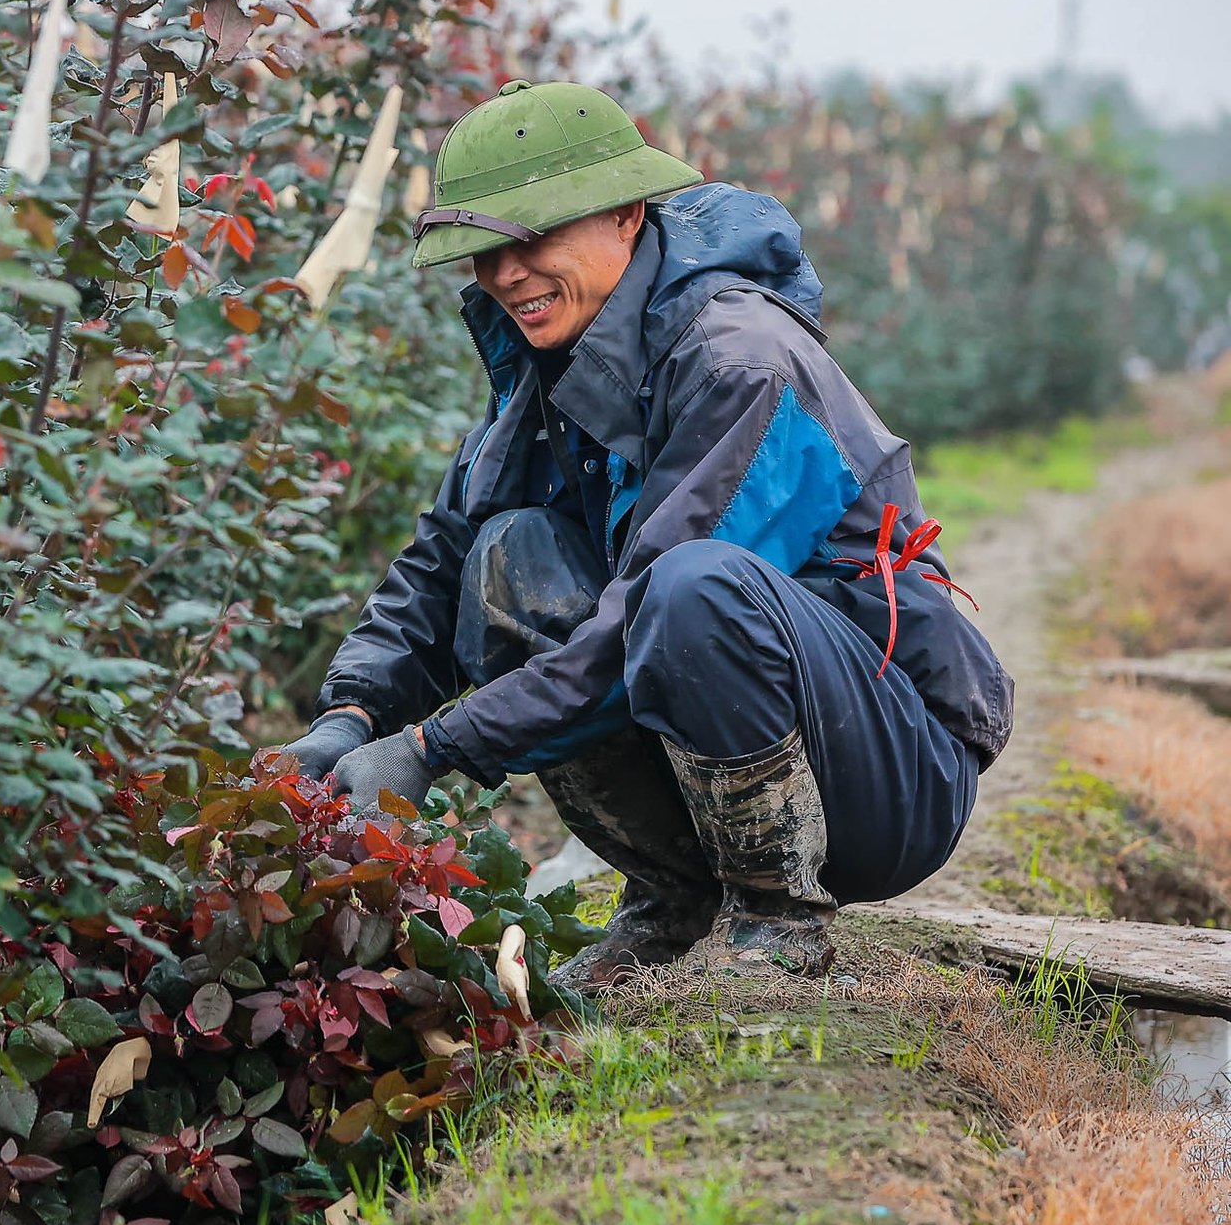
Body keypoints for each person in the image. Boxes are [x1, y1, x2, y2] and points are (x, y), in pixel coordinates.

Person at [275, 80, 1012, 987]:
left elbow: (639, 629)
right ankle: (674, 899)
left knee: (691, 588)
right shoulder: (559, 363)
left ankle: (779, 913)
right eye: (483, 253)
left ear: (626, 215)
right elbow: (442, 558)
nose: (506, 274)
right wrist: (349, 717)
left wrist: (434, 747)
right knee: (510, 557)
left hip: (889, 771)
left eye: (532, 238)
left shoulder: (735, 361)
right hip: (756, 718)